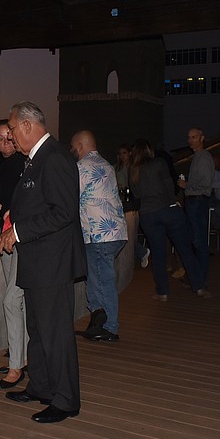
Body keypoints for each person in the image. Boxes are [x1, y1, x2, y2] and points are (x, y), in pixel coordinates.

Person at [0, 101, 86, 424]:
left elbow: (64, 213)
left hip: (53, 262)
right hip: (37, 262)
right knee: (37, 328)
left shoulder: (55, 158)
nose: (9, 135)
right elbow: (38, 203)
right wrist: (14, 215)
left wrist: (18, 230)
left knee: (56, 333)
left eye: (10, 129)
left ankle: (65, 400)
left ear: (26, 126)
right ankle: (42, 387)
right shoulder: (35, 160)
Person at [129, 139, 212, 301]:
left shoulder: (132, 170)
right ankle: (199, 287)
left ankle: (163, 292)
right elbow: (169, 186)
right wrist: (172, 201)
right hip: (168, 211)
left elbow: (136, 195)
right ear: (148, 151)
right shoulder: (159, 163)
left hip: (148, 215)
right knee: (185, 249)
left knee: (158, 254)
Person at [0, 119, 28, 389]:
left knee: (12, 300)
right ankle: (20, 358)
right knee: (17, 301)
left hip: (23, 237)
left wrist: (4, 208)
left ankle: (17, 366)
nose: (4, 143)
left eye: (8, 137)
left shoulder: (26, 163)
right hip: (5, 239)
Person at [71, 130, 127, 342]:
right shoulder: (107, 165)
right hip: (116, 232)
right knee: (95, 281)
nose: (71, 151)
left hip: (98, 235)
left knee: (102, 282)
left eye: (72, 147)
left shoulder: (80, 168)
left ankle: (110, 327)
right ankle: (97, 324)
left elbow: (70, 199)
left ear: (79, 146)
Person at [177, 127, 214, 288]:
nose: (191, 140)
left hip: (198, 201)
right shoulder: (198, 157)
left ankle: (199, 279)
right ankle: (196, 278)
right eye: (189, 137)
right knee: (195, 240)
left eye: (194, 137)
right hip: (194, 201)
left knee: (199, 241)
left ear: (202, 138)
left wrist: (186, 185)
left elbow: (205, 183)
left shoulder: (204, 157)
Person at [115, 143, 151, 268]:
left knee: (128, 233)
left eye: (124, 153)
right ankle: (139, 253)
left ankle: (140, 252)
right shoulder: (117, 168)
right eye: (120, 153)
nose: (122, 156)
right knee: (122, 233)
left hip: (132, 203)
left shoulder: (134, 167)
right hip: (119, 201)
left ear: (130, 153)